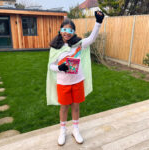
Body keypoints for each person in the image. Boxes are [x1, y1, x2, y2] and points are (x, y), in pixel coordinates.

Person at [46, 10, 104, 146]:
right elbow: (50, 66)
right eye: (64, 29)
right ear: (60, 30)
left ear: (74, 32)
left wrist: (98, 22)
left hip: (77, 81)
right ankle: (62, 131)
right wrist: (59, 68)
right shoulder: (56, 47)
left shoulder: (79, 44)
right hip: (63, 83)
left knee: (76, 106)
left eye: (70, 30)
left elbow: (91, 39)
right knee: (64, 108)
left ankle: (75, 130)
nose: (67, 32)